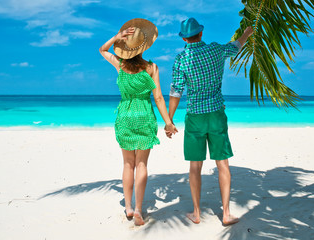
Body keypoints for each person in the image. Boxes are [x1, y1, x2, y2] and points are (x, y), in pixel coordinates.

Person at [166, 17, 253, 225]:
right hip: (216, 114)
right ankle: (226, 213)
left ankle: (197, 213)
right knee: (222, 164)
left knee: (195, 167)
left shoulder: (181, 60)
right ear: (201, 34)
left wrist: (169, 120)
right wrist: (247, 33)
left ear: (184, 38)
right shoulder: (215, 50)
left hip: (195, 116)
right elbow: (235, 46)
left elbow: (176, 91)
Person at [99, 18, 177, 226]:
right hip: (144, 115)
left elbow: (103, 51)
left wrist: (116, 37)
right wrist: (168, 123)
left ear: (125, 48)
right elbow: (159, 97)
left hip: (125, 116)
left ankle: (128, 208)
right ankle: (140, 210)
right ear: (143, 47)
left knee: (127, 164)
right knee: (141, 164)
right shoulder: (151, 67)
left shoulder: (120, 64)